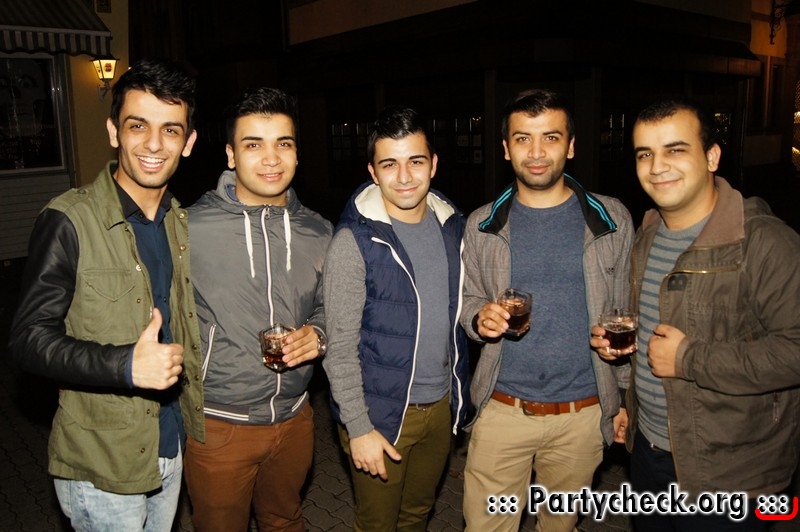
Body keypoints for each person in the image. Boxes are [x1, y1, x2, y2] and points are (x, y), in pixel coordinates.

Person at [8, 59, 202, 531]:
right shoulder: (68, 220)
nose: (154, 144)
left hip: (170, 444)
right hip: (103, 464)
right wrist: (124, 365)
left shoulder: (180, 222)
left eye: (170, 130)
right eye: (138, 126)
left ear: (189, 142)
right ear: (114, 131)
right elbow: (28, 340)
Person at [592, 99, 800, 531]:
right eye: (645, 154)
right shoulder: (648, 235)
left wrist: (689, 359)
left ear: (712, 156)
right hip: (648, 452)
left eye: (675, 149)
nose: (657, 166)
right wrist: (628, 389)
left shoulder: (764, 243)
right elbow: (657, 334)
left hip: (731, 474)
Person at [460, 89, 634, 532]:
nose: (536, 153)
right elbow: (468, 300)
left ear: (571, 146)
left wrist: (624, 399)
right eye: (523, 139)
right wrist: (479, 319)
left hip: (583, 415)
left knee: (559, 527)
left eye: (550, 138)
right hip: (502, 410)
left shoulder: (612, 219)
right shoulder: (481, 225)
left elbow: (626, 312)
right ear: (506, 148)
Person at [183, 87, 332, 532]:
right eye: (253, 144)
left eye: (283, 143)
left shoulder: (319, 230)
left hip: (295, 418)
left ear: (297, 153)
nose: (271, 158)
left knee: (285, 521)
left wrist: (320, 333)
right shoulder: (189, 227)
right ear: (231, 155)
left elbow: (331, 305)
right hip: (220, 424)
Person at [322, 106, 470, 531]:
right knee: (378, 524)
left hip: (439, 408)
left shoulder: (453, 229)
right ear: (373, 172)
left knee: (417, 516)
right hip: (380, 415)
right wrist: (358, 427)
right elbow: (339, 348)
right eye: (390, 164)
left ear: (433, 165)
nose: (404, 176)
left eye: (415, 161)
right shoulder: (354, 242)